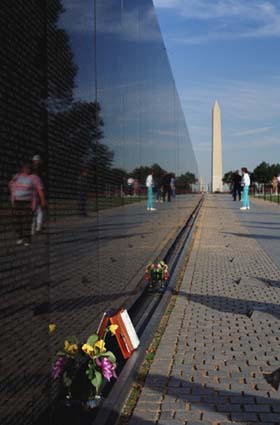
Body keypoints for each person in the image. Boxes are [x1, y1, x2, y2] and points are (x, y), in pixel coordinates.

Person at [9, 162, 46, 246]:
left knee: (26, 221)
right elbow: (11, 185)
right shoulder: (17, 176)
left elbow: (40, 189)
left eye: (29, 168)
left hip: (28, 202)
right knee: (17, 220)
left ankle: (27, 239)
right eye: (25, 168)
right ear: (22, 169)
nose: (27, 169)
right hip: (17, 202)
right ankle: (20, 237)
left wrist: (43, 201)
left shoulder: (34, 178)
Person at [31, 154, 45, 233]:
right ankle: (38, 226)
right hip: (38, 190)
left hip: (32, 191)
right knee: (39, 209)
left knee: (34, 210)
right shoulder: (40, 170)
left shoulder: (31, 170)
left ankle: (34, 228)